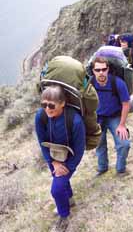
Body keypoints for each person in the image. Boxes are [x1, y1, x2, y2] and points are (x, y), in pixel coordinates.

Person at [35, 85, 85, 231]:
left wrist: (68, 167)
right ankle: (69, 200)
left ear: (62, 103)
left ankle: (64, 215)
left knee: (56, 190)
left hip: (70, 158)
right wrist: (53, 162)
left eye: (51, 105)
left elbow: (79, 148)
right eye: (44, 104)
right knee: (61, 183)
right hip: (52, 156)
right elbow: (42, 142)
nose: (47, 108)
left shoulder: (75, 121)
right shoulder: (41, 116)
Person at [91, 57, 131, 176]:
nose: (101, 72)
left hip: (115, 117)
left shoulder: (118, 83)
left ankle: (120, 169)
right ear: (93, 71)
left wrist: (122, 125)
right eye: (98, 70)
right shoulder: (90, 84)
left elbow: (126, 103)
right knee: (99, 144)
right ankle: (102, 168)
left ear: (108, 69)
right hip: (97, 118)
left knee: (124, 144)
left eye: (104, 69)